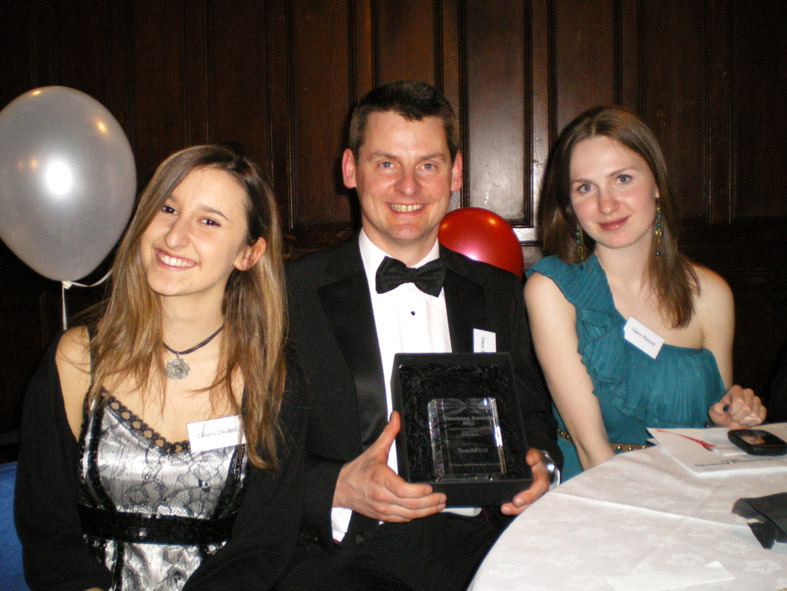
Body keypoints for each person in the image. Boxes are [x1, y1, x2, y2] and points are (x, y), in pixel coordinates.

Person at [283, 80, 560, 591]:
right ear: (350, 169)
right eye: (386, 163)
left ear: (455, 174)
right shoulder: (288, 296)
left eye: (427, 165)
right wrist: (337, 488)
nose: (408, 187)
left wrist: (540, 466)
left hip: (485, 548)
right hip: (341, 560)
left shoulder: (501, 293)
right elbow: (250, 453)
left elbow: (534, 421)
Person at [14, 144, 306, 590]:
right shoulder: (75, 360)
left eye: (208, 221)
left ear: (248, 253)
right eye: (167, 208)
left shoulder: (272, 377)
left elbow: (264, 547)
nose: (173, 236)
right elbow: (48, 534)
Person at [524, 106, 766, 480]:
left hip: (689, 485)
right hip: (595, 492)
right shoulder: (552, 290)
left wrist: (729, 418)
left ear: (656, 184)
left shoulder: (712, 294)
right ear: (570, 206)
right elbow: (592, 450)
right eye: (585, 187)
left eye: (622, 179)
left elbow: (713, 437)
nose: (606, 205)